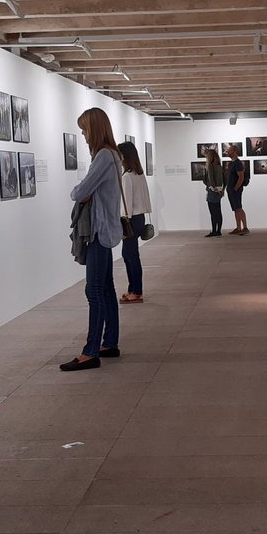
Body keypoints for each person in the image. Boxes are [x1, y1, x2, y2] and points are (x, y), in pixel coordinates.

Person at [62, 107, 124, 372]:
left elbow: (80, 192)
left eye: (85, 129)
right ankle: (109, 343)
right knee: (106, 288)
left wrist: (80, 191)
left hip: (99, 232)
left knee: (94, 291)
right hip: (106, 230)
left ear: (95, 129)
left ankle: (91, 351)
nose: (84, 135)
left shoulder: (103, 157)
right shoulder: (114, 155)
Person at [117, 141, 152, 304]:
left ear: (124, 156)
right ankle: (133, 289)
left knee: (130, 256)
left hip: (129, 220)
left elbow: (126, 203)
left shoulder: (127, 177)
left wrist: (123, 221)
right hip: (140, 218)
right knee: (130, 255)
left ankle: (136, 291)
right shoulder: (139, 174)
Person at [224, 144, 248, 235]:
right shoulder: (231, 163)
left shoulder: (238, 163)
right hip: (231, 190)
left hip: (235, 190)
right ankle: (238, 228)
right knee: (235, 209)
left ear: (235, 152)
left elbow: (241, 177)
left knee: (239, 208)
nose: (227, 152)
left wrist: (235, 188)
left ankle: (245, 227)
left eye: (229, 150)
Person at [202, 147, 225, 237]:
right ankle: (218, 230)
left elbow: (209, 179)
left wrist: (213, 187)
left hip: (212, 191)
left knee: (213, 212)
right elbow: (225, 180)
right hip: (219, 191)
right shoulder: (220, 166)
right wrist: (222, 190)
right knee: (218, 211)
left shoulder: (210, 166)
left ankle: (214, 231)